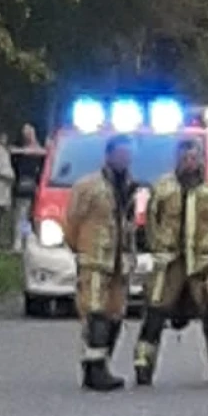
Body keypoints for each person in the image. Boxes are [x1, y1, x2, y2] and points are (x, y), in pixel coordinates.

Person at [133, 137, 208, 387]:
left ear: (201, 160)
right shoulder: (163, 188)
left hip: (202, 265)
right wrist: (158, 249)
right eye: (184, 158)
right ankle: (143, 366)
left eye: (193, 158)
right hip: (169, 263)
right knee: (154, 315)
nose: (189, 163)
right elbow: (151, 221)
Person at [66, 135, 137, 392]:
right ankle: (93, 370)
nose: (124, 159)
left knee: (115, 314)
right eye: (120, 154)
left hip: (120, 261)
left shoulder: (129, 186)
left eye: (128, 155)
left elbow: (128, 224)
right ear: (108, 156)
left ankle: (102, 363)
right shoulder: (88, 186)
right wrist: (82, 250)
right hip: (95, 258)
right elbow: (72, 221)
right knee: (95, 313)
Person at [11, 124, 47, 249]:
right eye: (26, 133)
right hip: (24, 186)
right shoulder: (19, 152)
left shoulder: (41, 152)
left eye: (30, 132)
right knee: (22, 215)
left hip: (39, 187)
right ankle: (20, 241)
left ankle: (33, 240)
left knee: (35, 215)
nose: (28, 135)